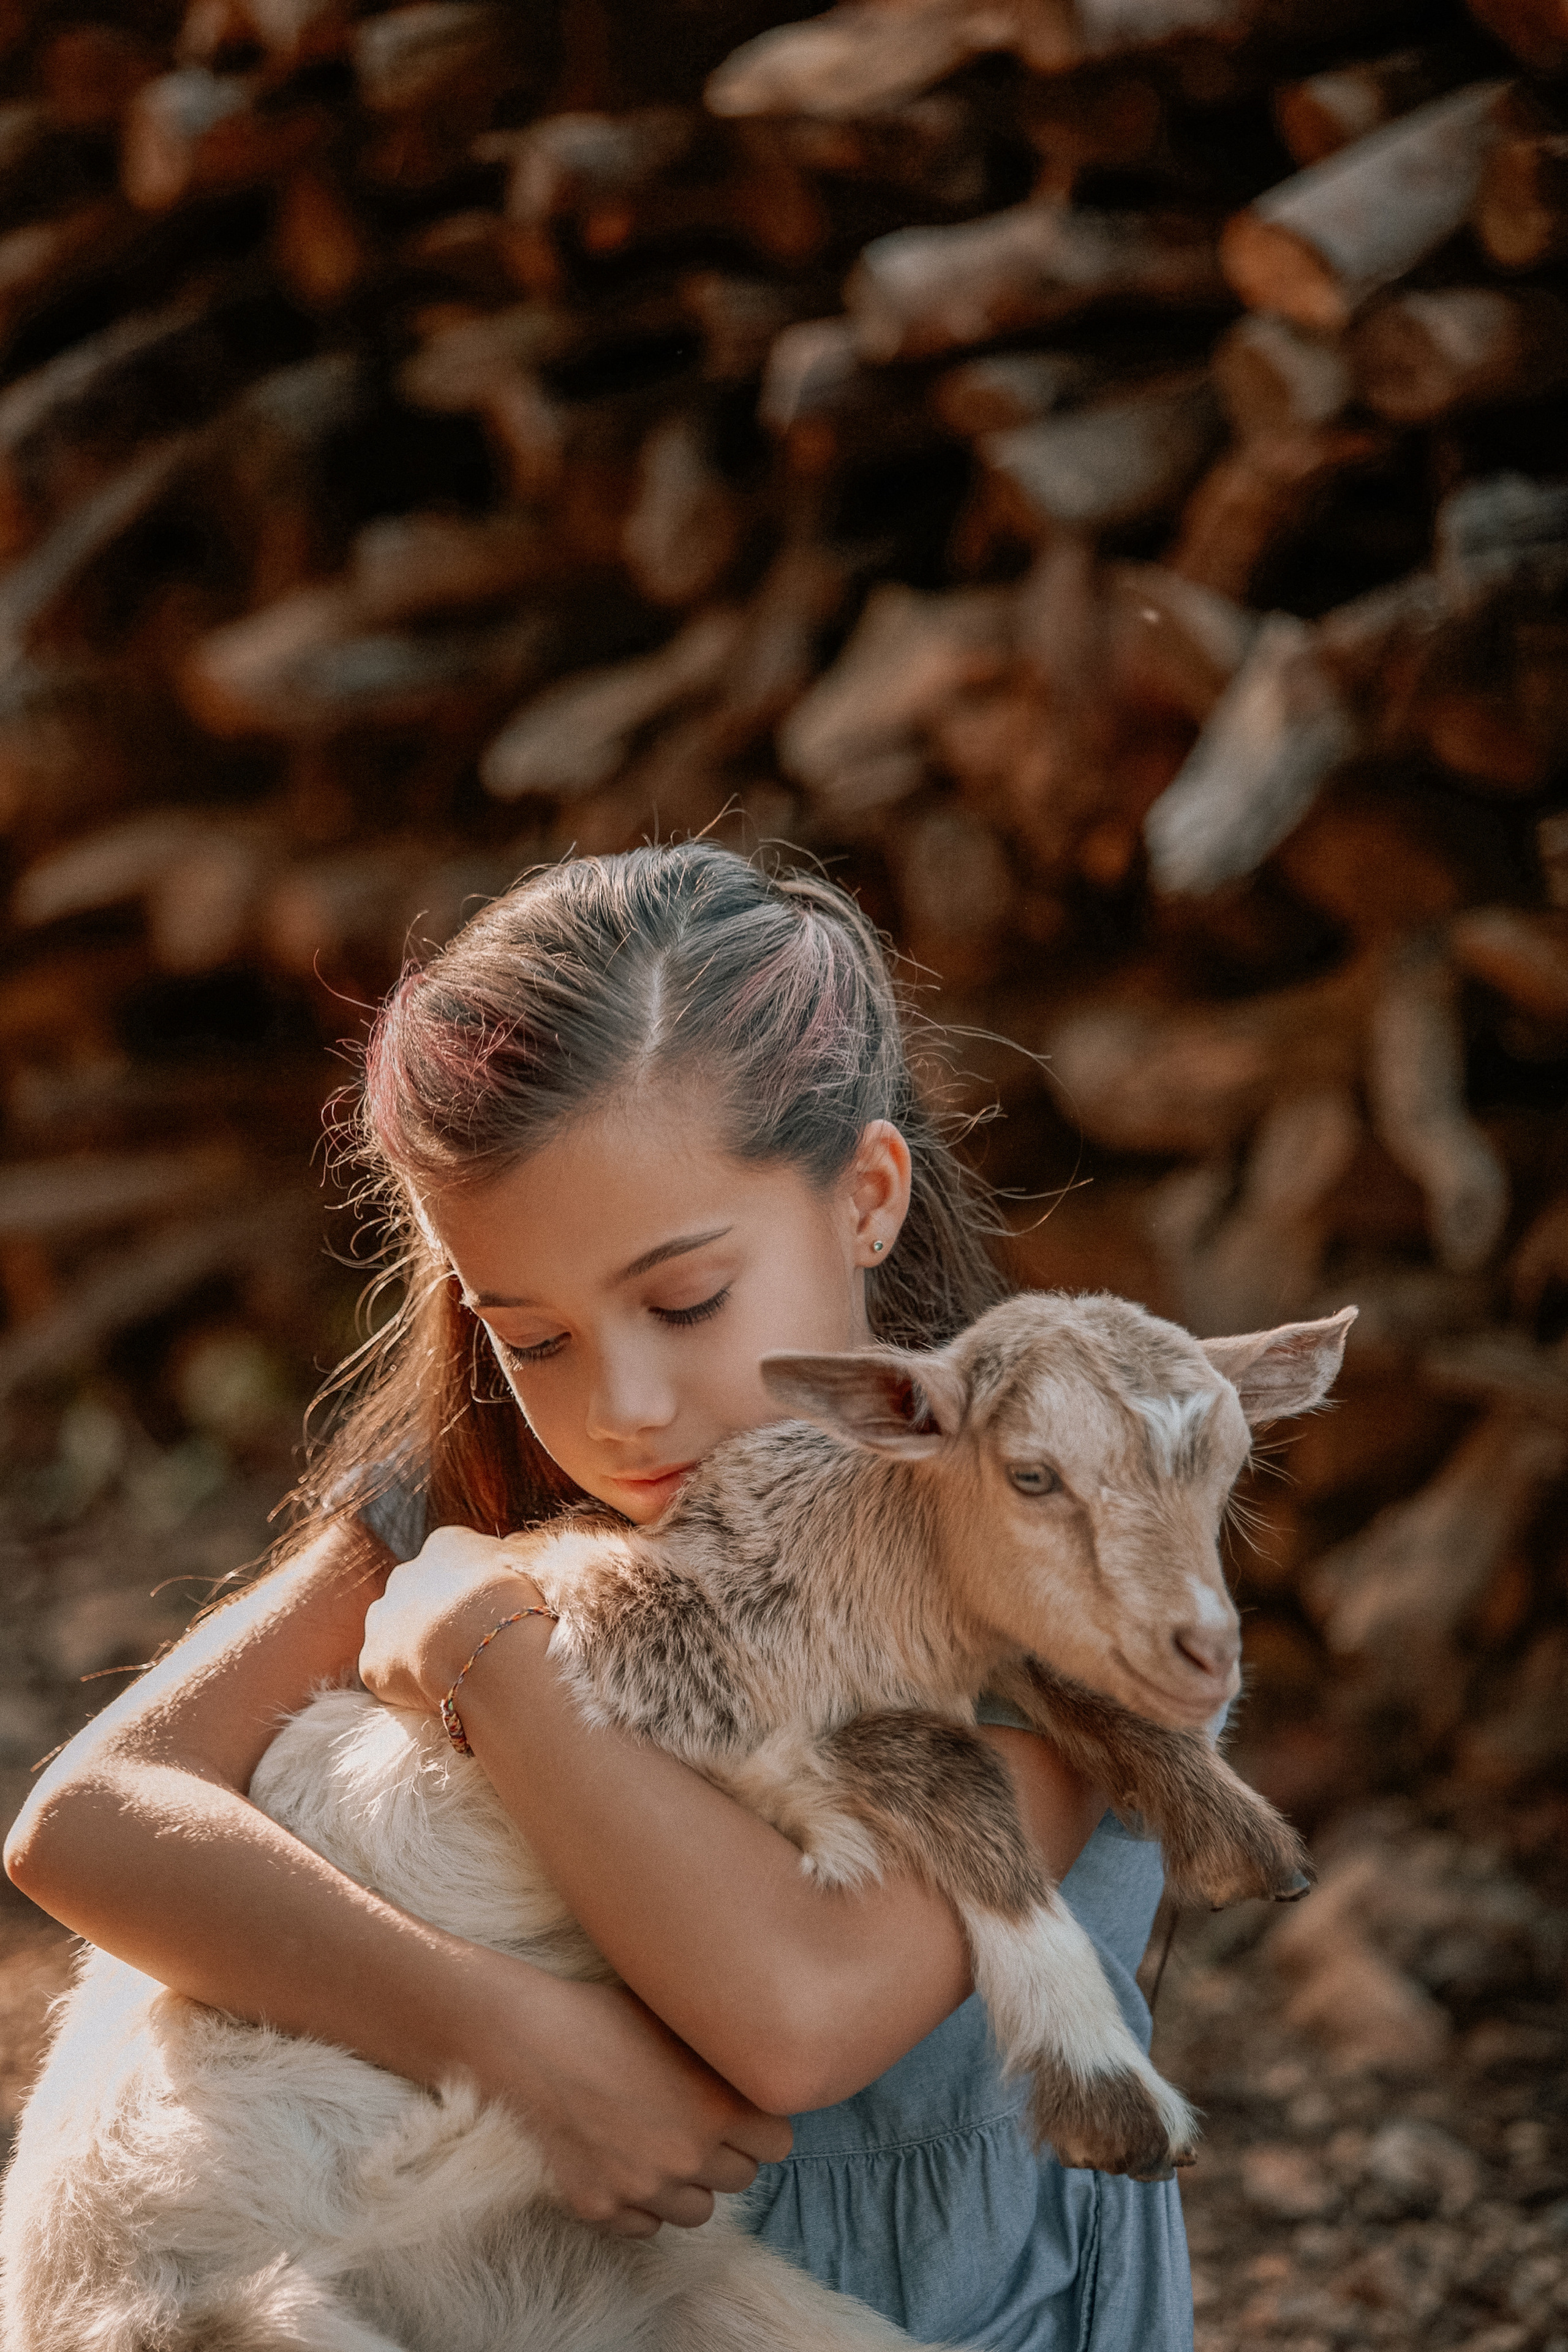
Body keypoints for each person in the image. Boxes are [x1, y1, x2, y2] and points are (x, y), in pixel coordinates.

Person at [4, 843, 1193, 2351]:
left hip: (928, 2306)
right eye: (530, 1337)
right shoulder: (473, 1496)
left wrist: (485, 1650)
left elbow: (798, 2016)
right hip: (474, 2283)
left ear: (866, 1199)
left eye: (685, 1302)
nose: (622, 1409)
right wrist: (504, 2040)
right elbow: (90, 1815)